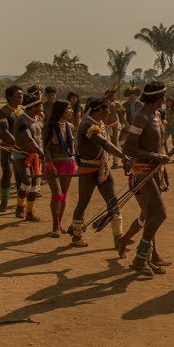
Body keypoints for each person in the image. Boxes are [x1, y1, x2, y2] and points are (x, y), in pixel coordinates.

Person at [120, 80, 174, 277]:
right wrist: (155, 157)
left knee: (152, 214)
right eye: (164, 95)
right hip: (143, 169)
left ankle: (148, 257)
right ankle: (139, 259)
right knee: (160, 214)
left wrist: (161, 163)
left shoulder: (157, 115)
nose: (166, 98)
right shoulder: (141, 117)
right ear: (158, 97)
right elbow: (128, 148)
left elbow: (158, 145)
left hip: (155, 169)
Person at [67, 97, 130, 250]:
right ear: (99, 110)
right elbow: (104, 143)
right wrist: (123, 157)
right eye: (107, 109)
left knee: (113, 200)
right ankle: (76, 236)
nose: (109, 112)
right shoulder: (87, 125)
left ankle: (118, 238)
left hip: (102, 168)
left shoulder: (97, 123)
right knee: (83, 202)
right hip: (88, 169)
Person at [41, 100, 78, 238]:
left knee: (63, 195)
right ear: (61, 110)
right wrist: (50, 166)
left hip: (68, 163)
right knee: (57, 194)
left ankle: (59, 223)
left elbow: (73, 147)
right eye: (69, 108)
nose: (71, 111)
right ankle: (55, 226)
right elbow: (46, 148)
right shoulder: (49, 126)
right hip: (54, 164)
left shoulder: (70, 126)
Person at [10, 90, 47, 222]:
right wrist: (41, 152)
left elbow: (39, 138)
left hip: (34, 155)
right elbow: (28, 139)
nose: (42, 108)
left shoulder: (37, 118)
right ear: (33, 107)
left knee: (34, 184)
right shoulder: (22, 120)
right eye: (40, 105)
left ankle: (30, 212)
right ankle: (20, 208)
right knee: (27, 181)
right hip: (21, 155)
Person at [0, 85, 24, 212]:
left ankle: (20, 204)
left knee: (22, 177)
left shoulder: (23, 110)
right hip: (8, 147)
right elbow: (4, 131)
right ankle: (4, 200)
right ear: (9, 97)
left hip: (22, 148)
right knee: (7, 173)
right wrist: (16, 142)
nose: (20, 98)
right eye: (17, 96)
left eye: (21, 95)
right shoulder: (3, 112)